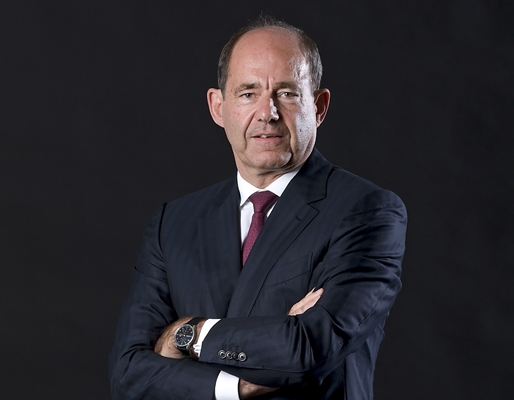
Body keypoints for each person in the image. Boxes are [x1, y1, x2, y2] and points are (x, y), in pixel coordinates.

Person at [109, 15, 407, 400]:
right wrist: (238, 386)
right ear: (218, 107)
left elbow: (308, 348)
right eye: (248, 93)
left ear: (319, 106)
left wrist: (188, 334)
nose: (268, 113)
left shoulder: (366, 211)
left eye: (287, 93)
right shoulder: (174, 223)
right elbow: (129, 373)